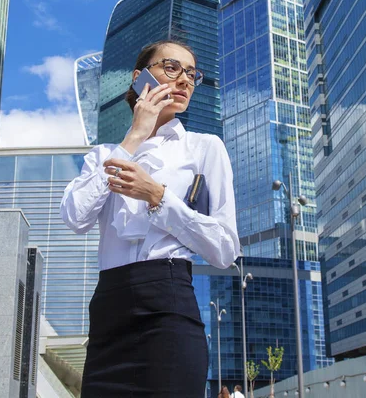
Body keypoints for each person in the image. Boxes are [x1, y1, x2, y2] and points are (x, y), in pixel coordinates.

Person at [61, 39, 240, 398]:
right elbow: (75, 216)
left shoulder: (204, 148)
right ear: (140, 76)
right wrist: (134, 138)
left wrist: (159, 197)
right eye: (171, 68)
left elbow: (225, 249)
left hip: (168, 304)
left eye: (192, 74)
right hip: (109, 310)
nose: (185, 80)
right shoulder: (103, 155)